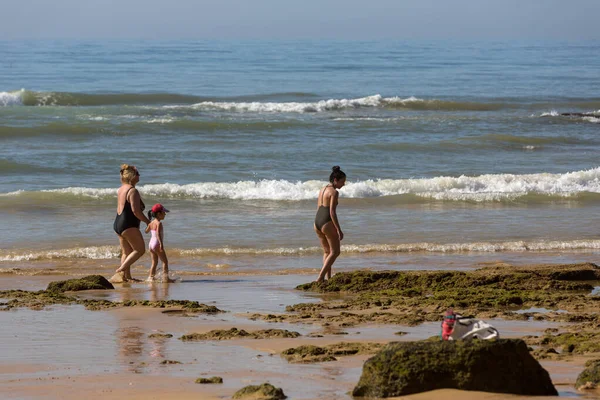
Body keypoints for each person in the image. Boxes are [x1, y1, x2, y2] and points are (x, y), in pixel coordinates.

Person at [111, 164, 151, 283]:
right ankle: (121, 270)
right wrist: (148, 222)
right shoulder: (132, 191)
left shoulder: (121, 189)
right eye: (138, 173)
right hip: (128, 224)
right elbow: (136, 211)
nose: (139, 175)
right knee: (139, 250)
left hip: (118, 223)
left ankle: (126, 277)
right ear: (132, 176)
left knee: (126, 252)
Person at [314, 165, 346, 283]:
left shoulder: (322, 189)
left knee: (327, 252)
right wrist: (339, 229)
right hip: (326, 221)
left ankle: (328, 278)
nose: (343, 184)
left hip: (317, 221)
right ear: (336, 180)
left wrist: (319, 222)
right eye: (342, 182)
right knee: (335, 252)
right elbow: (332, 212)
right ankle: (320, 277)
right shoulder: (334, 192)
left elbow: (318, 207)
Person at [145, 203, 174, 283]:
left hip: (151, 244)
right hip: (157, 243)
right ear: (158, 214)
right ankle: (166, 279)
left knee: (154, 262)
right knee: (165, 261)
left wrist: (149, 225)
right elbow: (157, 234)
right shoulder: (159, 223)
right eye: (163, 213)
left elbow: (146, 231)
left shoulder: (151, 223)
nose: (165, 214)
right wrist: (161, 244)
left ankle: (151, 277)